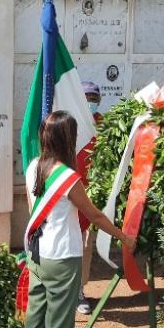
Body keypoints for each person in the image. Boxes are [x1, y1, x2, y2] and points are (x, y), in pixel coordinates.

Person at [24, 111, 135, 328]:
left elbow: (32, 211)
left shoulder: (33, 167)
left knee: (36, 316)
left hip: (37, 253)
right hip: (62, 257)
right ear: (67, 138)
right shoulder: (67, 178)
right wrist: (124, 237)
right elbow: (94, 215)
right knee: (59, 325)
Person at [76, 81, 103, 314]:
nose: (90, 103)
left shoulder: (104, 126)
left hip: (91, 196)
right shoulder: (69, 123)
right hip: (69, 194)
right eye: (87, 99)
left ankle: (79, 291)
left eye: (94, 99)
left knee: (85, 245)